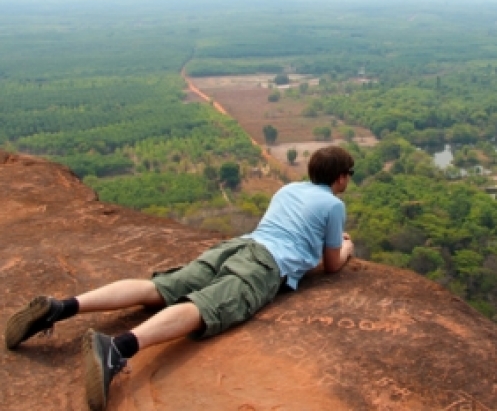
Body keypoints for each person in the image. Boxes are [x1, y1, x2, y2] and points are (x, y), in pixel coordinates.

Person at [4, 145, 355, 411]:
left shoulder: (288, 190)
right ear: (340, 177)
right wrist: (347, 248)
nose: (348, 181)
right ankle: (117, 348)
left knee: (158, 289)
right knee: (204, 307)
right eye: (348, 175)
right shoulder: (333, 206)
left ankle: (61, 307)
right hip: (263, 264)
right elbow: (332, 263)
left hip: (237, 246)